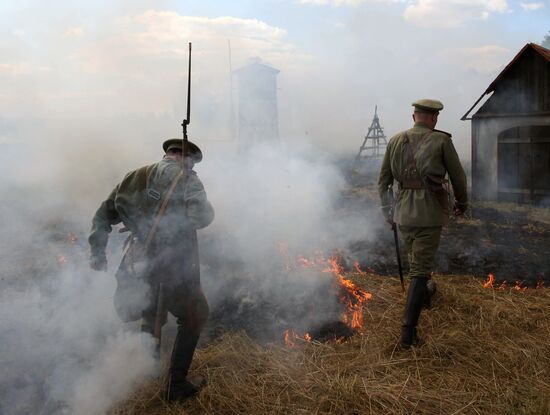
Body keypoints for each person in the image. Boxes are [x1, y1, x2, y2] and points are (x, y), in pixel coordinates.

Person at [88, 138, 214, 401]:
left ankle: (149, 374)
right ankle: (176, 386)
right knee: (195, 315)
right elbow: (203, 217)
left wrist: (98, 252)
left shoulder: (134, 176)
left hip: (138, 261)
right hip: (172, 264)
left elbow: (103, 214)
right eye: (191, 163)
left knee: (152, 314)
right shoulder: (188, 179)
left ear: (169, 153)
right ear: (188, 159)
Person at [378, 99, 468, 348]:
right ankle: (408, 333)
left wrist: (387, 211)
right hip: (429, 213)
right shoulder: (442, 141)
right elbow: (458, 177)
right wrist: (462, 203)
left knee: (416, 261)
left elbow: (383, 181)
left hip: (402, 213)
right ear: (433, 118)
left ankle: (425, 293)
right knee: (420, 268)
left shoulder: (395, 140)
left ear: (414, 116)